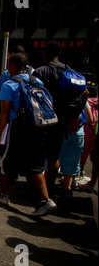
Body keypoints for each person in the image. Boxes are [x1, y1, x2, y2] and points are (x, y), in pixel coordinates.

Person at [0, 53, 57, 216]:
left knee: (5, 159)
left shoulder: (9, 84)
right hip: (38, 126)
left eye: (9, 65)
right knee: (35, 164)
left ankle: (4, 194)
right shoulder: (37, 81)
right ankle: (45, 199)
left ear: (13, 66)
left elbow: (5, 113)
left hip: (17, 127)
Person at [32, 41, 86, 194]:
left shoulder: (41, 72)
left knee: (40, 155)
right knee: (53, 156)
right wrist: (75, 117)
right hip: (65, 119)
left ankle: (41, 189)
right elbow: (85, 94)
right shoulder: (70, 71)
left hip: (45, 120)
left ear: (46, 53)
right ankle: (51, 185)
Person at [79, 82, 98, 192]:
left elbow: (88, 119)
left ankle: (75, 177)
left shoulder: (87, 102)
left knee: (81, 156)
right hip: (94, 132)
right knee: (92, 159)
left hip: (86, 132)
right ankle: (91, 183)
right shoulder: (96, 103)